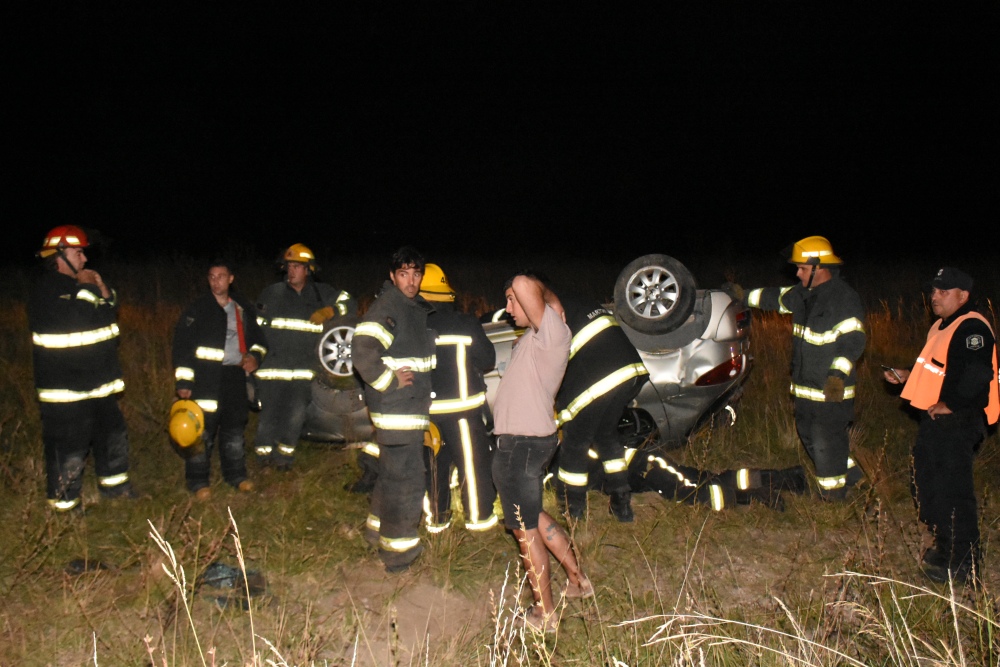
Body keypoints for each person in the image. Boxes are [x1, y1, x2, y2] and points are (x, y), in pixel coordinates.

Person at [884, 267, 998, 585]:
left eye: (943, 291)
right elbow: (939, 368)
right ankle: (945, 548)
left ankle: (964, 563)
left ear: (963, 295)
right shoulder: (941, 326)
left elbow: (977, 374)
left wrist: (952, 404)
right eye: (933, 291)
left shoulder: (972, 326)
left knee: (953, 492)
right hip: (937, 420)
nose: (935, 297)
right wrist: (908, 375)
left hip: (958, 421)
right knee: (928, 486)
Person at [491, 272, 591, 634]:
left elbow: (522, 281)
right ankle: (578, 581)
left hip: (520, 445)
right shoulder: (534, 340)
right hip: (525, 443)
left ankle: (545, 614)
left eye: (511, 300)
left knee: (525, 530)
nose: (508, 307)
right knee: (534, 517)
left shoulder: (553, 334)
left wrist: (547, 296)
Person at [745, 236, 866, 500]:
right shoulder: (802, 294)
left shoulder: (843, 299)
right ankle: (857, 481)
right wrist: (740, 296)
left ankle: (832, 499)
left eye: (801, 268)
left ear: (817, 267)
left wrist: (837, 375)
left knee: (826, 445)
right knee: (814, 440)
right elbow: (774, 297)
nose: (797, 273)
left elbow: (853, 340)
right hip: (804, 390)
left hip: (829, 392)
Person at [28, 225, 136, 511]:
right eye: (79, 252)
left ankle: (117, 490)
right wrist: (88, 288)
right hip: (66, 390)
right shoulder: (47, 291)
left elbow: (105, 312)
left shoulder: (78, 287)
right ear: (59, 254)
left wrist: (102, 290)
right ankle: (66, 507)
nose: (85, 260)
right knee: (69, 450)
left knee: (112, 436)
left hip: (98, 385)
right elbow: (77, 320)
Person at [352, 246, 436, 572]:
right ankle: (399, 554)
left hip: (406, 409)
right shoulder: (390, 306)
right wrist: (389, 381)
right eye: (404, 273)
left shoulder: (409, 307)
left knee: (391, 474)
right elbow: (362, 349)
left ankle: (376, 532)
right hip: (397, 409)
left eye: (416, 273)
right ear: (392, 275)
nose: (411, 280)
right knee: (408, 480)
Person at [254, 244, 356, 470]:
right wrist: (254, 358)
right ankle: (263, 458)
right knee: (269, 416)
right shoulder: (271, 294)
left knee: (295, 416)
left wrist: (331, 311)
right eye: (289, 266)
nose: (292, 271)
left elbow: (349, 301)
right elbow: (256, 330)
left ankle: (284, 458)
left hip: (302, 371)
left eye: (298, 267)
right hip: (272, 370)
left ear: (308, 270)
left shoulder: (321, 294)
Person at [172, 260, 267, 500]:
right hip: (205, 379)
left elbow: (260, 340)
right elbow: (182, 347)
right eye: (212, 277)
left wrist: (255, 357)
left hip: (234, 377)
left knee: (234, 430)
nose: (216, 281)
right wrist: (184, 382)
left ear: (231, 279)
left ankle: (237, 476)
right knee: (201, 432)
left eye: (221, 276)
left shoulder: (242, 308)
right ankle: (198, 481)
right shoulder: (198, 309)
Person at [551, 291, 649, 522]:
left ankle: (572, 509)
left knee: (575, 441)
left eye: (512, 299)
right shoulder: (582, 302)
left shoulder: (548, 311)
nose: (509, 308)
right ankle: (621, 503)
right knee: (606, 435)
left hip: (601, 378)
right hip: (629, 372)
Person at [420, 263, 499, 533]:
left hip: (427, 414)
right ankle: (478, 520)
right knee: (473, 468)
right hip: (464, 412)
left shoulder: (413, 327)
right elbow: (488, 359)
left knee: (433, 467)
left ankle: (438, 520)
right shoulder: (465, 323)